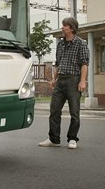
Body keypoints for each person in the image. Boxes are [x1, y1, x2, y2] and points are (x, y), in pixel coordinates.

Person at [38, 17, 89, 149]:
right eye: (63, 25)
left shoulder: (81, 43)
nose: (62, 27)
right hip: (60, 80)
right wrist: (54, 79)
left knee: (74, 112)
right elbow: (58, 64)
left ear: (71, 28)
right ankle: (53, 139)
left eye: (65, 25)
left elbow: (84, 64)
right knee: (54, 110)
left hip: (74, 80)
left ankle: (72, 139)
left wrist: (83, 81)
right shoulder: (60, 44)